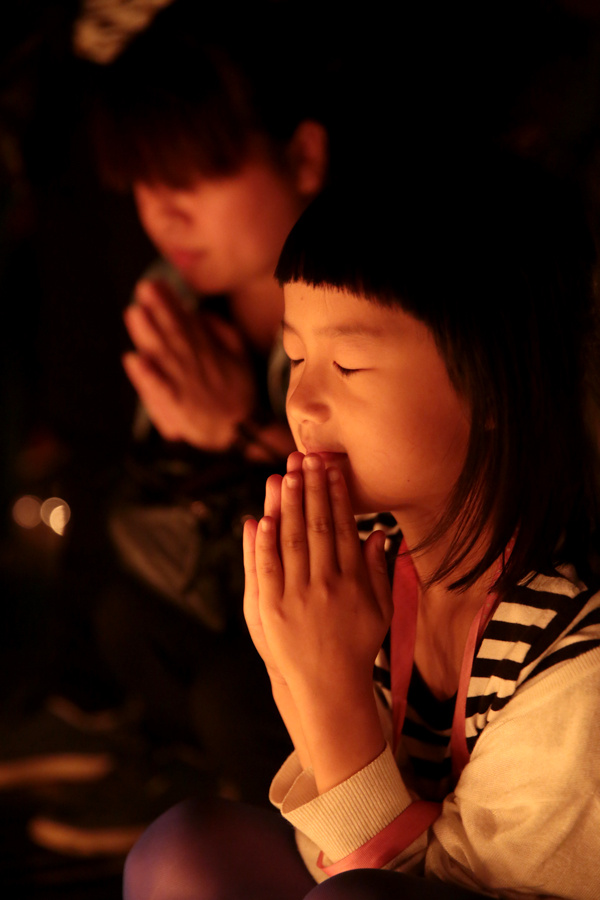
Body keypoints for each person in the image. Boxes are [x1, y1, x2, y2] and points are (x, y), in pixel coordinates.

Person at [123, 147, 600, 898]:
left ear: (499, 386)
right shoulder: (385, 576)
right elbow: (329, 852)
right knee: (185, 851)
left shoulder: (575, 664)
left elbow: (399, 888)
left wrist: (327, 690)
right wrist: (300, 660)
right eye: (295, 357)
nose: (303, 404)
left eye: (348, 367)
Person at [23, 0, 333, 857]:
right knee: (133, 618)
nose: (166, 211)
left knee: (237, 692)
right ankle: (208, 784)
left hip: (370, 652)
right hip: (235, 603)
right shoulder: (181, 300)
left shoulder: (367, 306)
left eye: (194, 174)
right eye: (145, 183)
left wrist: (241, 429)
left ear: (303, 155)